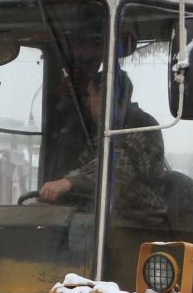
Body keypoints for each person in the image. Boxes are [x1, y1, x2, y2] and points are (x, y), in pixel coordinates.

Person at [38, 70, 169, 219]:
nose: (87, 102)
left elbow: (118, 165)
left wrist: (70, 181)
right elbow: (84, 162)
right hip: (105, 214)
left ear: (106, 98)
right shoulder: (104, 129)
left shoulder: (142, 124)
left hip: (140, 218)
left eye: (91, 95)